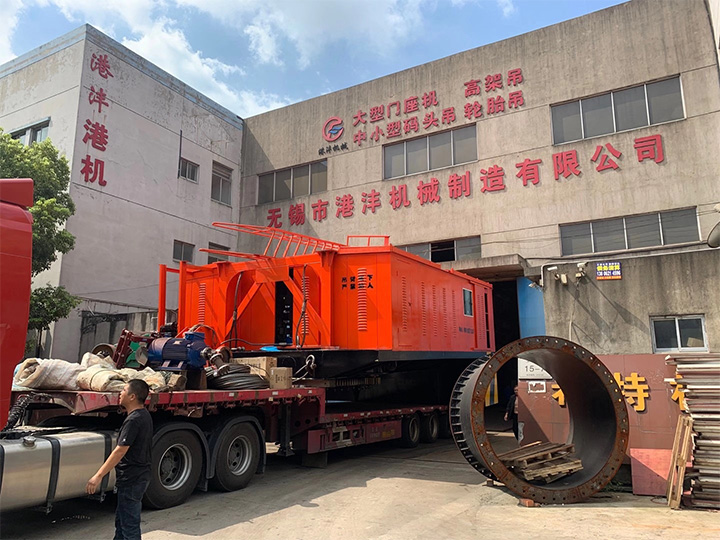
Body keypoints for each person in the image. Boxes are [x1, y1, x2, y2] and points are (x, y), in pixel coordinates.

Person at [86, 379, 153, 540]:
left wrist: (98, 476)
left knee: (129, 526)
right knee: (122, 523)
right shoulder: (144, 415)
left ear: (132, 396)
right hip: (137, 476)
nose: (120, 393)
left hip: (132, 479)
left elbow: (120, 451)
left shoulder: (134, 420)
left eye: (123, 390)